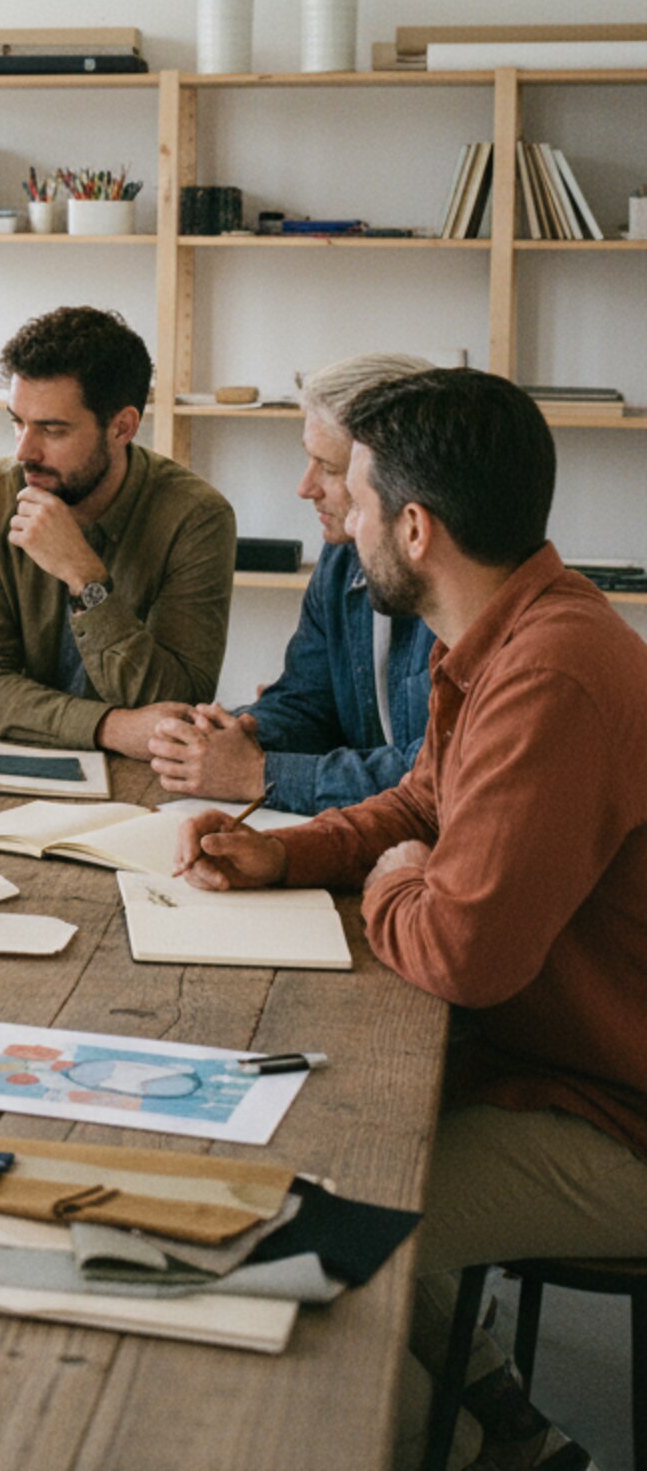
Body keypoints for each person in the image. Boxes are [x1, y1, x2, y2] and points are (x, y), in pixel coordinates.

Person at [175, 370, 647, 1297]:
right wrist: (283, 852)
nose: (342, 522)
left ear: (416, 528)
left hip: (613, 1114)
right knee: (306, 1144)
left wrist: (398, 879)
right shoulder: (498, 634)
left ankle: (470, 1437)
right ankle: (490, 1426)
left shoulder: (550, 676)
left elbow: (463, 952)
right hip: (543, 1062)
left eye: (355, 501)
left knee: (304, 1231)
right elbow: (421, 804)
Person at [149, 351, 436, 811]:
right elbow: (308, 702)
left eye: (331, 467)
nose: (305, 487)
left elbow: (434, 778)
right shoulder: (343, 557)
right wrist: (235, 734)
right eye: (310, 460)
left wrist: (259, 774)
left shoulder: (459, 589)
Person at [0, 306, 235, 754]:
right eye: (17, 422)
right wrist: (110, 727)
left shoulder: (196, 517)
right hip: (11, 757)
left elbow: (175, 698)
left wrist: (85, 579)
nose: (24, 451)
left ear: (122, 427)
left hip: (143, 778)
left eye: (52, 430)